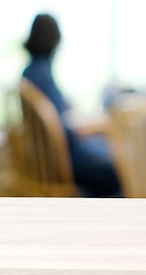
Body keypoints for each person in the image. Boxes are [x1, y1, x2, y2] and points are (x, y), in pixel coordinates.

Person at [21, 13, 122, 197]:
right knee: (119, 168)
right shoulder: (42, 75)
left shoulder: (30, 72)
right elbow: (61, 128)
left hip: (51, 156)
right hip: (64, 159)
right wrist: (91, 128)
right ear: (54, 40)